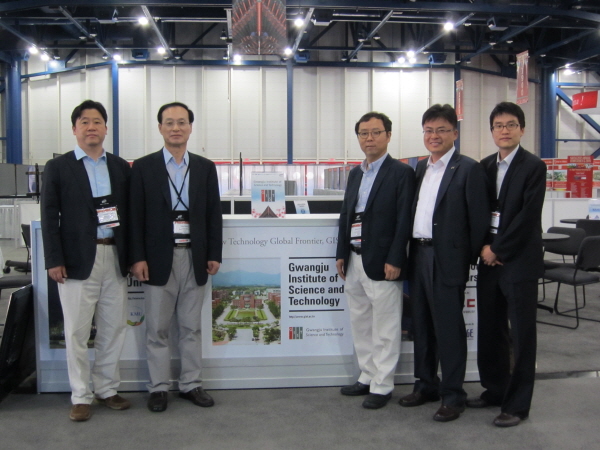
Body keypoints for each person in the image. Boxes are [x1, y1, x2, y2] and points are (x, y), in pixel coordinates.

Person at [41, 100, 131, 422]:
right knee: (77, 332)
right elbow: (49, 215)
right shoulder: (59, 167)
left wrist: (133, 257)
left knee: (113, 328)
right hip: (77, 260)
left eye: (97, 121)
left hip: (115, 256)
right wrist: (54, 259)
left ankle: (107, 389)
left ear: (106, 128)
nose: (91, 127)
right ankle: (80, 395)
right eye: (84, 122)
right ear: (74, 128)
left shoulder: (120, 167)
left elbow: (131, 215)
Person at [129, 102, 223, 413]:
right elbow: (135, 217)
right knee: (157, 328)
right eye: (169, 122)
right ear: (160, 128)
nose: (176, 128)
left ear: (190, 127)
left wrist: (214, 253)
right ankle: (158, 388)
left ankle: (191, 384)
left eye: (182, 122)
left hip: (195, 257)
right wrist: (137, 258)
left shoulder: (205, 167)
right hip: (157, 259)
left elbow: (213, 214)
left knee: (191, 327)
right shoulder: (143, 167)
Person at [398, 104, 489, 422]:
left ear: (455, 133)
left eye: (441, 130)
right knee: (421, 325)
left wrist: (463, 259)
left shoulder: (468, 169)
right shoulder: (421, 168)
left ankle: (453, 395)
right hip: (418, 255)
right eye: (428, 130)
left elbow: (478, 220)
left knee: (449, 329)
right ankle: (426, 385)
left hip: (448, 259)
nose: (434, 136)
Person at [467, 102, 546, 427]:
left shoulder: (534, 166)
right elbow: (478, 211)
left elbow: (527, 217)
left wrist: (497, 249)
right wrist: (482, 248)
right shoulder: (485, 166)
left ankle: (517, 405)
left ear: (522, 129)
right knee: (490, 328)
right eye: (498, 125)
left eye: (511, 124)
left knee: (522, 334)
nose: (504, 130)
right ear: (492, 131)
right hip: (488, 260)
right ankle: (496, 389)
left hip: (519, 262)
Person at [336, 112, 415, 409]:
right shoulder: (355, 174)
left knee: (386, 326)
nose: (369, 138)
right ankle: (367, 375)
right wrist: (341, 253)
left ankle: (382, 385)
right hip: (354, 259)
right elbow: (347, 214)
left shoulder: (401, 173)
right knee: (361, 323)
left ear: (388, 135)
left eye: (376, 132)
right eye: (363, 133)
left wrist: (396, 258)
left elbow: (404, 219)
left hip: (383, 262)